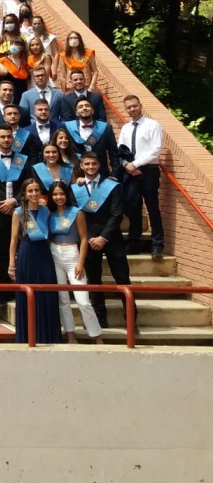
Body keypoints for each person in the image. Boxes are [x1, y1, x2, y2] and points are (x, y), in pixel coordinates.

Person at [74, 152, 134, 329]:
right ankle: (100, 320)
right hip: (89, 240)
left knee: (122, 278)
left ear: (99, 165)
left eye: (94, 164)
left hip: (112, 239)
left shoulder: (113, 186)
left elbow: (117, 214)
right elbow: (78, 215)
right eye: (87, 164)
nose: (91, 167)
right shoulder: (76, 188)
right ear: (81, 166)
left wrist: (103, 237)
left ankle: (131, 319)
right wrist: (90, 237)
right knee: (94, 281)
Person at [47, 180, 103, 344]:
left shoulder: (77, 212)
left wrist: (80, 262)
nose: (59, 197)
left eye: (62, 194)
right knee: (63, 300)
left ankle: (96, 336)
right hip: (54, 253)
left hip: (72, 254)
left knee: (83, 301)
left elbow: (84, 238)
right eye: (55, 194)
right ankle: (70, 335)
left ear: (67, 195)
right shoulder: (49, 213)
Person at [7, 178, 61, 344]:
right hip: (26, 254)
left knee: (47, 294)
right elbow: (13, 240)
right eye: (30, 191)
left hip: (44, 254)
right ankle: (27, 336)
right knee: (27, 295)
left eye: (36, 190)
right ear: (24, 193)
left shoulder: (47, 210)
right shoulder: (18, 212)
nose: (34, 194)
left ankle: (48, 335)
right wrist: (11, 264)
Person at [0, 125, 30, 301]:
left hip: (20, 209)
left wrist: (15, 201)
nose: (7, 140)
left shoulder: (22, 160)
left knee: (22, 248)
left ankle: (22, 289)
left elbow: (27, 184)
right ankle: (6, 291)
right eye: (3, 137)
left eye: (9, 137)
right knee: (2, 250)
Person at [118, 95, 163, 258]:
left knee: (152, 207)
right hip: (129, 171)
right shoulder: (125, 128)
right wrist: (127, 166)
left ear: (140, 105)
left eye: (135, 106)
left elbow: (156, 150)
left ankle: (157, 244)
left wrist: (136, 164)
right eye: (129, 107)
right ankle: (133, 243)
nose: (132, 109)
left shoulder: (153, 125)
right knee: (133, 207)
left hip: (149, 170)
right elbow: (120, 150)